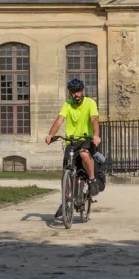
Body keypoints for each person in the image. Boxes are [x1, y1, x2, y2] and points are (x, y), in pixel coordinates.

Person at [45, 78, 102, 216]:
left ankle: (92, 180)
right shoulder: (67, 105)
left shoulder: (90, 103)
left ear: (83, 90)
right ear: (70, 93)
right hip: (71, 141)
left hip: (86, 140)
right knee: (66, 170)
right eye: (73, 92)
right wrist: (51, 134)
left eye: (78, 91)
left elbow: (94, 119)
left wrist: (96, 135)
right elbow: (59, 120)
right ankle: (66, 200)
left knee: (84, 154)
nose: (76, 94)